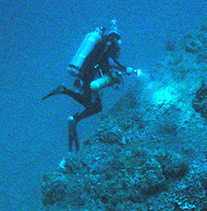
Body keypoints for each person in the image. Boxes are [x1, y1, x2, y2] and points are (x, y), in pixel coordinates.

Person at [42, 21, 139, 152]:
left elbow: (105, 66)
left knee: (95, 106)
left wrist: (117, 74)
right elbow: (110, 62)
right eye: (118, 40)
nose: (119, 44)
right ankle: (66, 95)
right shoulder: (109, 45)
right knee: (95, 107)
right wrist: (126, 68)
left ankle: (74, 116)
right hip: (89, 76)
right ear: (115, 38)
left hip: (86, 74)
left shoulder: (100, 47)